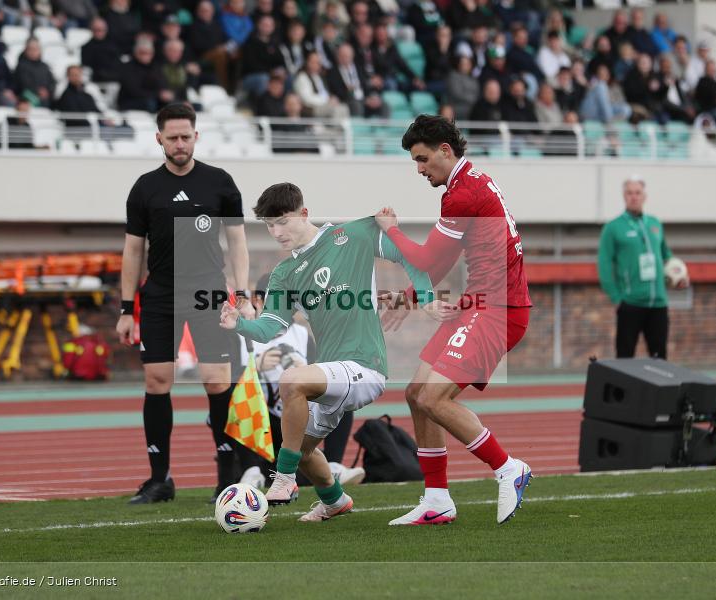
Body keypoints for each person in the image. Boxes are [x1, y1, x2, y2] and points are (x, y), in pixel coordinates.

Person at [219, 182, 439, 521]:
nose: (277, 232)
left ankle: (285, 478)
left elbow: (409, 254)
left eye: (283, 221)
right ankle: (335, 501)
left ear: (304, 214)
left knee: (292, 382)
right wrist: (238, 325)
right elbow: (271, 327)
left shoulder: (351, 234)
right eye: (269, 225)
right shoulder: (284, 273)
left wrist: (424, 299)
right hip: (333, 372)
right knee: (302, 447)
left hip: (366, 366)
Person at [373, 114, 534, 526]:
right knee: (416, 394)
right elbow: (441, 261)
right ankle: (437, 499)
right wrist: (410, 298)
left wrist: (390, 230)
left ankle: (507, 468)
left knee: (433, 397)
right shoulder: (466, 185)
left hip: (497, 309)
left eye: (423, 158)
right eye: (415, 161)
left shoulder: (462, 194)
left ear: (446, 149)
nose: (419, 169)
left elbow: (426, 258)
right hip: (478, 303)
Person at [116, 103, 254, 504]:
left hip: (209, 292)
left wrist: (241, 295)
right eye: (172, 137)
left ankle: (226, 480)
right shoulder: (145, 188)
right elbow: (132, 251)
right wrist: (127, 309)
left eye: (186, 136)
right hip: (159, 294)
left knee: (217, 381)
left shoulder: (220, 183)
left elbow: (238, 243)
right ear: (159, 138)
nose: (180, 144)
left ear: (197, 137)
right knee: (157, 382)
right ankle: (160, 479)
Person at [239, 272, 365, 488]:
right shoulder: (244, 334)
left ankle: (333, 464)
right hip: (264, 421)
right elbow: (230, 385)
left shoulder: (301, 334)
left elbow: (324, 372)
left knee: (339, 394)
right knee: (242, 399)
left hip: (296, 415)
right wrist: (257, 367)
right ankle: (251, 471)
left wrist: (305, 370)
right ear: (258, 301)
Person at [597, 176, 686, 360]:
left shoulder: (654, 223)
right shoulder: (613, 228)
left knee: (659, 359)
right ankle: (623, 391)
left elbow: (666, 255)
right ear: (624, 196)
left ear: (644, 196)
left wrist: (679, 275)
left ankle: (658, 390)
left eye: (638, 193)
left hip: (658, 304)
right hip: (630, 304)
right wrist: (617, 297)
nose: (634, 197)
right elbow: (604, 265)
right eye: (630, 193)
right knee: (624, 359)